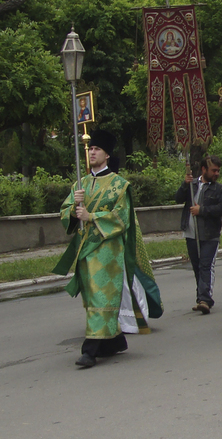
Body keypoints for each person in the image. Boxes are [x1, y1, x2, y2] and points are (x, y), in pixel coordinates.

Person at [53, 129, 163, 368]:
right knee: (93, 298)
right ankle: (112, 342)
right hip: (85, 249)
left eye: (97, 150)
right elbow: (65, 212)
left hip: (108, 250)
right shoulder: (80, 184)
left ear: (107, 155)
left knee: (102, 296)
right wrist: (73, 210)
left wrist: (91, 215)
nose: (92, 152)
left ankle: (89, 351)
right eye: (90, 149)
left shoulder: (119, 185)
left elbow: (121, 217)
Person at [176, 155, 222, 315]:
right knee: (197, 266)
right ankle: (200, 297)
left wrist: (203, 210)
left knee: (206, 266)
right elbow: (178, 198)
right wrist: (184, 185)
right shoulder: (192, 185)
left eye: (218, 171)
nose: (216, 173)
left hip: (210, 234)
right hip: (191, 233)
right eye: (214, 170)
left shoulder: (219, 189)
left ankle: (205, 299)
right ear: (204, 169)